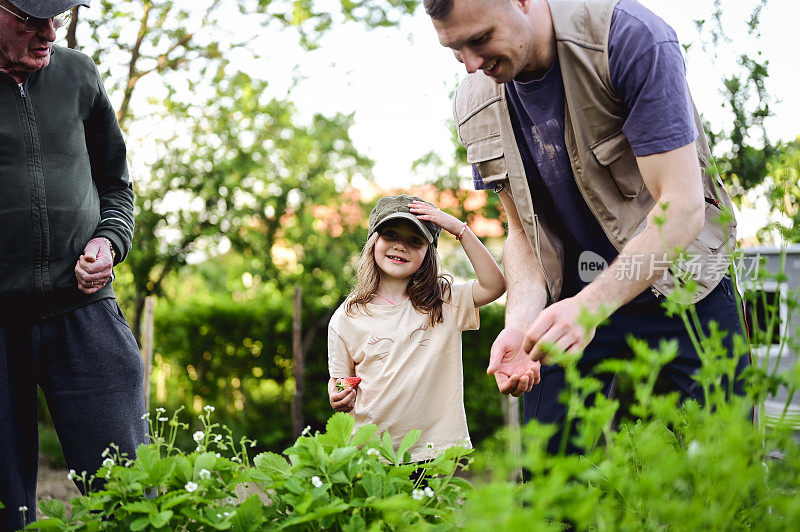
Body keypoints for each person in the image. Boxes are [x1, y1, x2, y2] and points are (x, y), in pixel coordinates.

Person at [425, 0, 750, 453]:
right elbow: (523, 234)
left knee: (723, 474)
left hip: (682, 282)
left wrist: (592, 308)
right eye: (455, 49)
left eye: (479, 39)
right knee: (549, 483)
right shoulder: (473, 98)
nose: (472, 64)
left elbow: (682, 207)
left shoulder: (629, 38)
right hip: (568, 300)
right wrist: (519, 325)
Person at [0, 0, 148, 528]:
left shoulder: (79, 74)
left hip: (83, 312)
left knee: (130, 492)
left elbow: (116, 186)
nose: (49, 31)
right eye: (32, 19)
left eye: (57, 16)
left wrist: (109, 241)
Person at [327, 194, 508, 462]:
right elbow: (341, 379)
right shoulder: (348, 316)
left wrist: (459, 229)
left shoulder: (446, 300)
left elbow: (495, 285)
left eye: (415, 240)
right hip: (373, 453)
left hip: (437, 450)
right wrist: (338, 394)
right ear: (373, 242)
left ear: (428, 251)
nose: (401, 246)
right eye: (390, 234)